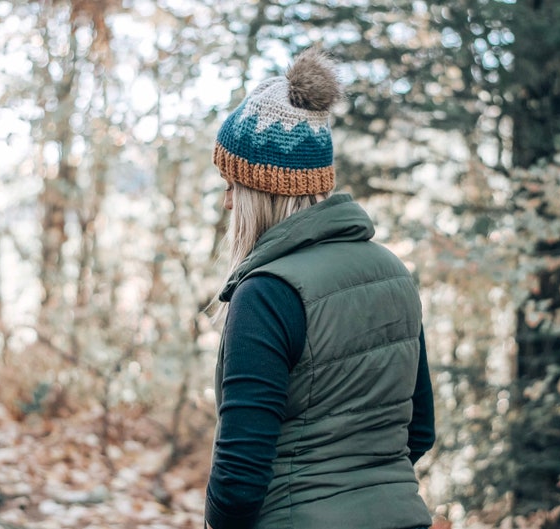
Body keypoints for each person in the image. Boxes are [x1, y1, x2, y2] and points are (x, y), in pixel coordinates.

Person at [205, 47, 435, 529]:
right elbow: (419, 430)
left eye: (232, 185)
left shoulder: (267, 293)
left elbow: (240, 478)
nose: (228, 203)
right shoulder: (393, 273)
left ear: (263, 190)